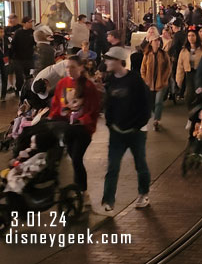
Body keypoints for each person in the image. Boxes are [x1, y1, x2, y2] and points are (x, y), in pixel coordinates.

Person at [101, 46, 152, 212]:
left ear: (118, 61)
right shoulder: (111, 80)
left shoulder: (134, 80)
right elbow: (109, 105)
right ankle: (108, 200)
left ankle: (143, 194)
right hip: (117, 132)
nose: (106, 62)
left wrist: (138, 125)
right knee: (112, 166)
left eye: (109, 59)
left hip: (136, 132)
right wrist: (110, 123)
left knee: (140, 164)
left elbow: (146, 104)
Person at [49, 56, 99, 205]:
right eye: (67, 67)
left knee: (76, 158)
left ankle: (83, 192)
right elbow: (57, 105)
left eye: (73, 67)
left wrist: (82, 120)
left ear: (80, 67)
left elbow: (93, 109)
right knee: (74, 159)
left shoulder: (88, 86)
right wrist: (52, 118)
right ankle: (78, 190)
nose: (69, 70)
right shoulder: (62, 84)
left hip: (82, 130)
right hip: (67, 128)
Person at [140, 33, 172, 131]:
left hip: (160, 83)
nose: (157, 42)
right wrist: (145, 80)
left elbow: (168, 68)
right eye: (155, 41)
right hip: (149, 83)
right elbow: (143, 68)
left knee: (158, 102)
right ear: (151, 43)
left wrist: (164, 79)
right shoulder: (147, 55)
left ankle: (156, 120)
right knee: (152, 103)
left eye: (158, 40)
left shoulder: (163, 54)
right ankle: (155, 116)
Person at [176, 28, 202, 108]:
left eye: (193, 35)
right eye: (189, 36)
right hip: (189, 73)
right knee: (188, 95)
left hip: (200, 74)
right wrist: (179, 79)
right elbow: (180, 66)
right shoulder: (184, 50)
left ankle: (199, 112)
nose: (191, 38)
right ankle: (191, 111)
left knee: (199, 93)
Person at [11, 16, 35, 97]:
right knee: (19, 77)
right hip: (18, 59)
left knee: (28, 76)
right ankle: (19, 91)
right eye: (29, 22)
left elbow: (35, 44)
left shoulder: (32, 32)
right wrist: (12, 57)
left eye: (31, 22)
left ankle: (27, 91)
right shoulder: (18, 32)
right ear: (24, 23)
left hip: (28, 58)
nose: (31, 24)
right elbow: (13, 45)